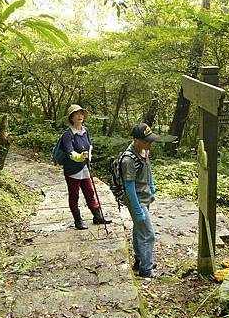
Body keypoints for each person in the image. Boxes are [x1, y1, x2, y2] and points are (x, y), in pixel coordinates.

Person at [62, 104, 112, 230]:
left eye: (81, 113)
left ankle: (97, 216)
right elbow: (70, 152)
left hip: (85, 168)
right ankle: (78, 220)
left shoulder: (86, 131)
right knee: (74, 195)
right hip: (72, 170)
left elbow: (89, 145)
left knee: (90, 192)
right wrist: (79, 156)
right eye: (76, 114)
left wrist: (88, 154)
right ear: (71, 117)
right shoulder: (67, 134)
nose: (80, 116)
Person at [121, 123, 160, 278]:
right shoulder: (128, 160)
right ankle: (146, 269)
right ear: (136, 140)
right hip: (136, 200)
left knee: (139, 230)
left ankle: (140, 260)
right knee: (148, 234)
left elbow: (147, 169)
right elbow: (129, 187)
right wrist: (137, 209)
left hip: (145, 196)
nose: (149, 144)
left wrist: (151, 186)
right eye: (146, 141)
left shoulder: (144, 151)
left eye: (150, 141)